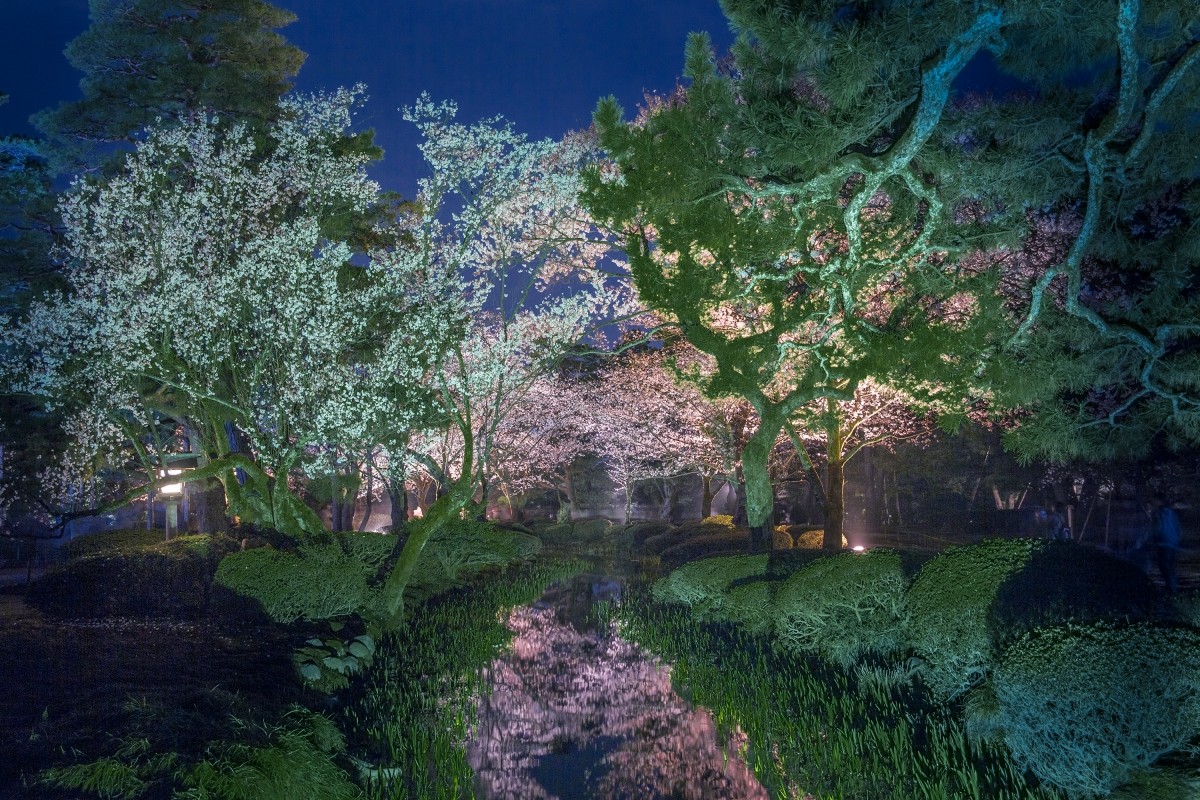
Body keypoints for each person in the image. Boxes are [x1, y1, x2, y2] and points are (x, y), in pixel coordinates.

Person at [1149, 494, 1181, 594]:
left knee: (1164, 566)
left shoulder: (1158, 513)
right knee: (1170, 566)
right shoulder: (1172, 513)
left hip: (1164, 543)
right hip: (1173, 543)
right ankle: (1172, 588)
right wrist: (1177, 540)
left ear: (1159, 501)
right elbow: (1178, 528)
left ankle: (1171, 588)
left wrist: (1154, 541)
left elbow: (1157, 529)